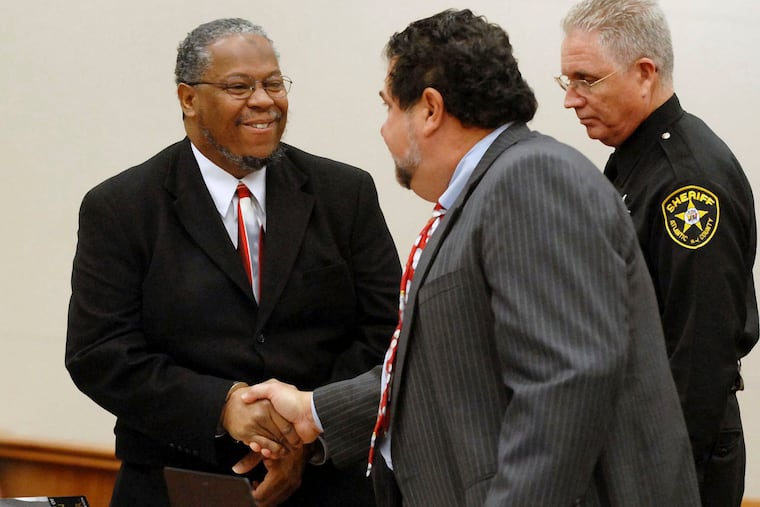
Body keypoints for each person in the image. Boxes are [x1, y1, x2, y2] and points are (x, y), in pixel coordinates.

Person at [237, 9, 701, 506]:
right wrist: (315, 412)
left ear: (431, 109)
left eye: (390, 108)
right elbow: (446, 366)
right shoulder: (487, 192)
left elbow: (566, 385)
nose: (384, 131)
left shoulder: (531, 180)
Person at [65, 18, 400, 507]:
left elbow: (387, 331)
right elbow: (101, 353)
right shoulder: (122, 207)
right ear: (188, 98)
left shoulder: (344, 193)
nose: (264, 100)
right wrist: (222, 407)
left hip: (328, 482)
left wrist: (305, 431)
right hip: (176, 480)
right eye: (240, 87)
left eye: (274, 83)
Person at [558, 2, 758, 505]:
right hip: (640, 441)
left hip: (678, 456)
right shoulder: (636, 162)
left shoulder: (685, 184)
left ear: (644, 73)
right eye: (567, 82)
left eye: (585, 79)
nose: (571, 100)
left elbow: (700, 352)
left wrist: (663, 477)